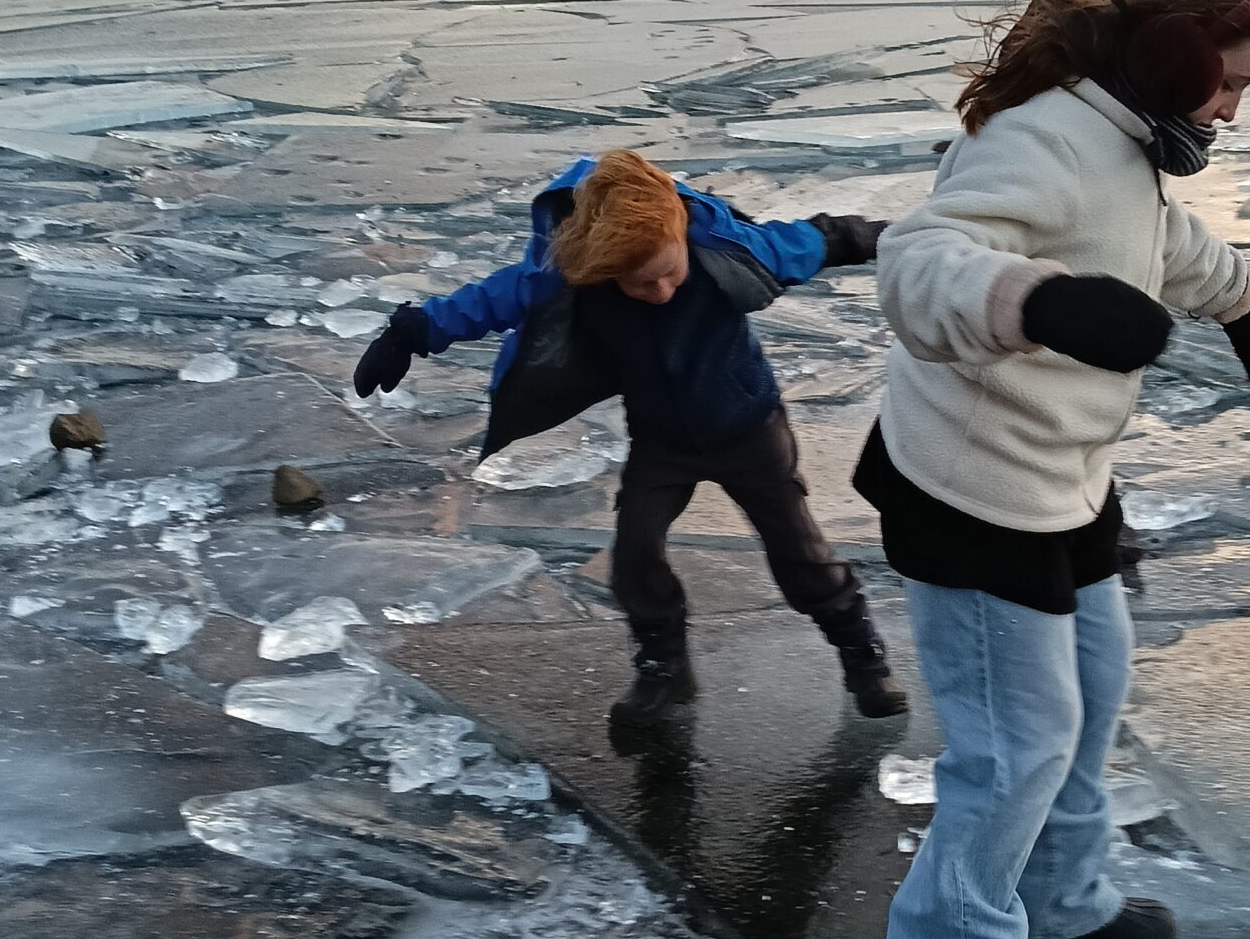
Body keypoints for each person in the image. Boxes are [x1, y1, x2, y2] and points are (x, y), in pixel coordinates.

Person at [853, 0, 1250, 939]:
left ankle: (1062, 891)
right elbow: (917, 259)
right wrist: (1037, 301)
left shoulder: (1126, 142)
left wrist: (1240, 305)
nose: (1237, 112)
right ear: (1174, 49)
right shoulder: (1042, 138)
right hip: (971, 486)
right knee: (1014, 745)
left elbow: (1161, 239)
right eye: (1235, 83)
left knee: (1094, 687)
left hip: (1062, 477)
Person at [353, 150, 907, 723]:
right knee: (634, 556)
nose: (662, 289)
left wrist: (901, 237)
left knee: (799, 553)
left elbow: (822, 239)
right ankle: (665, 668)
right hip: (662, 442)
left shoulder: (724, 252)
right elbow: (491, 299)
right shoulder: (573, 281)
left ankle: (861, 654)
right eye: (641, 284)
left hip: (749, 429)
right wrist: (413, 331)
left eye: (670, 271)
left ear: (681, 233)